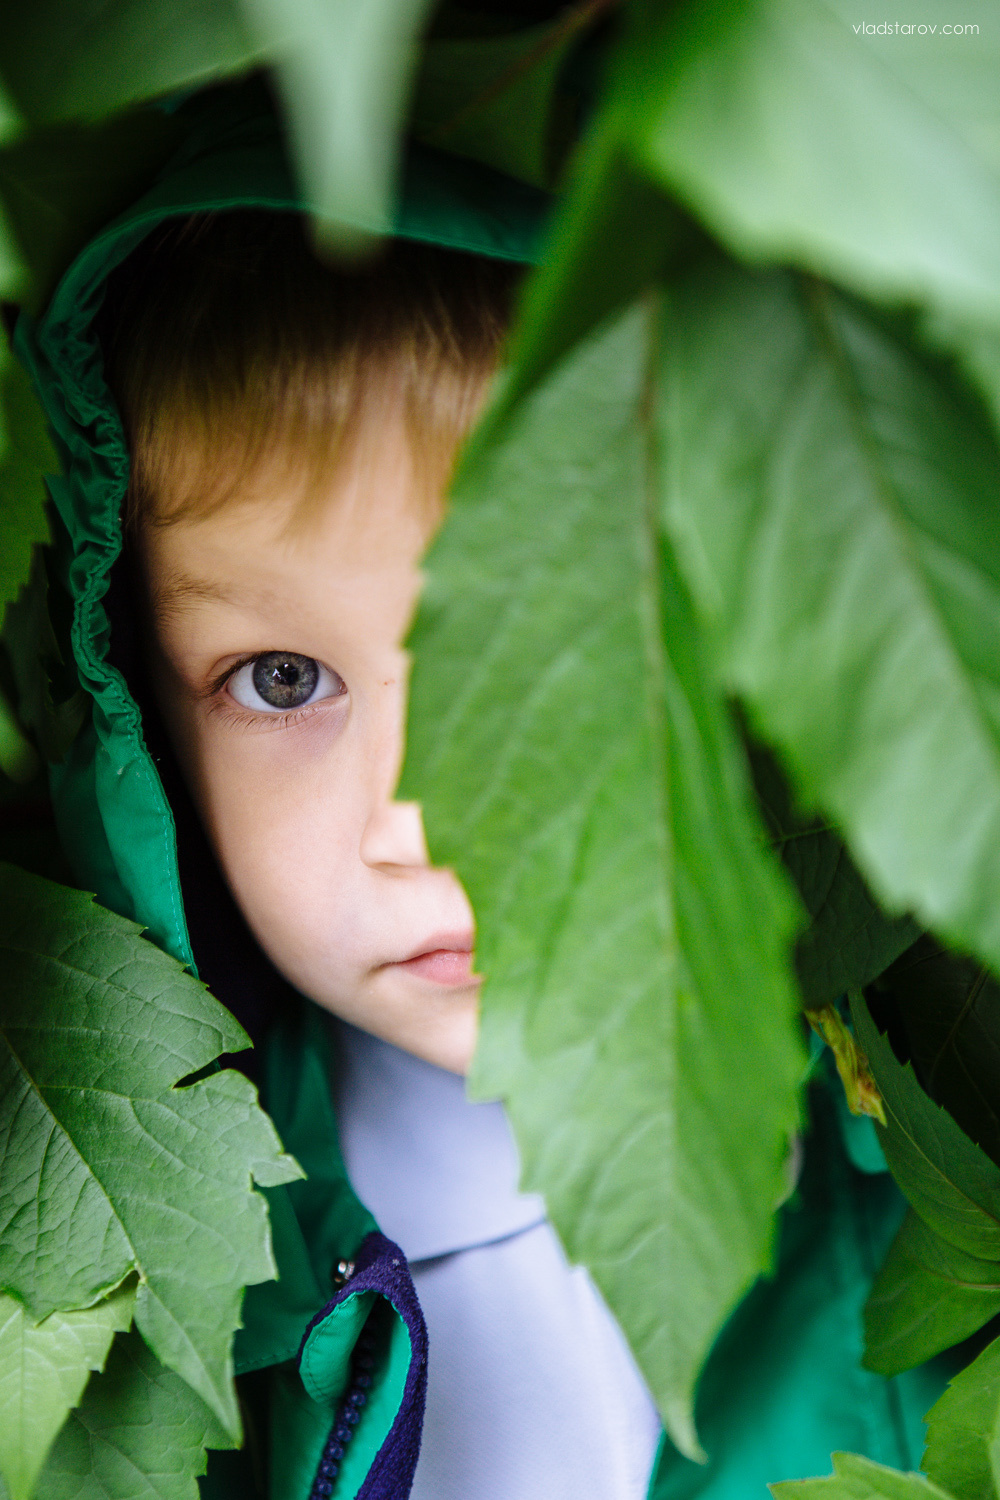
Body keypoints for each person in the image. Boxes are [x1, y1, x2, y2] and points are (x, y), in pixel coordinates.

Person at [13, 82, 950, 1500]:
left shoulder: (933, 1167)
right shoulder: (126, 1316)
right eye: (280, 679)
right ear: (145, 713)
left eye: (549, 653)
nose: (427, 824)